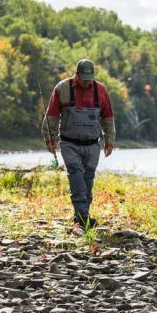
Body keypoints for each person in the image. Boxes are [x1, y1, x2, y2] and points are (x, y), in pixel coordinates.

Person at [41, 59, 115, 228]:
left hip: (92, 144)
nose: (87, 81)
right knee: (76, 173)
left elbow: (108, 117)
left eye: (90, 78)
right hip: (69, 144)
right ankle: (83, 217)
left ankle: (81, 214)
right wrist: (49, 137)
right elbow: (51, 115)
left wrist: (109, 140)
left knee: (88, 176)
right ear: (76, 74)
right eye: (84, 78)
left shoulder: (101, 90)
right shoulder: (62, 88)